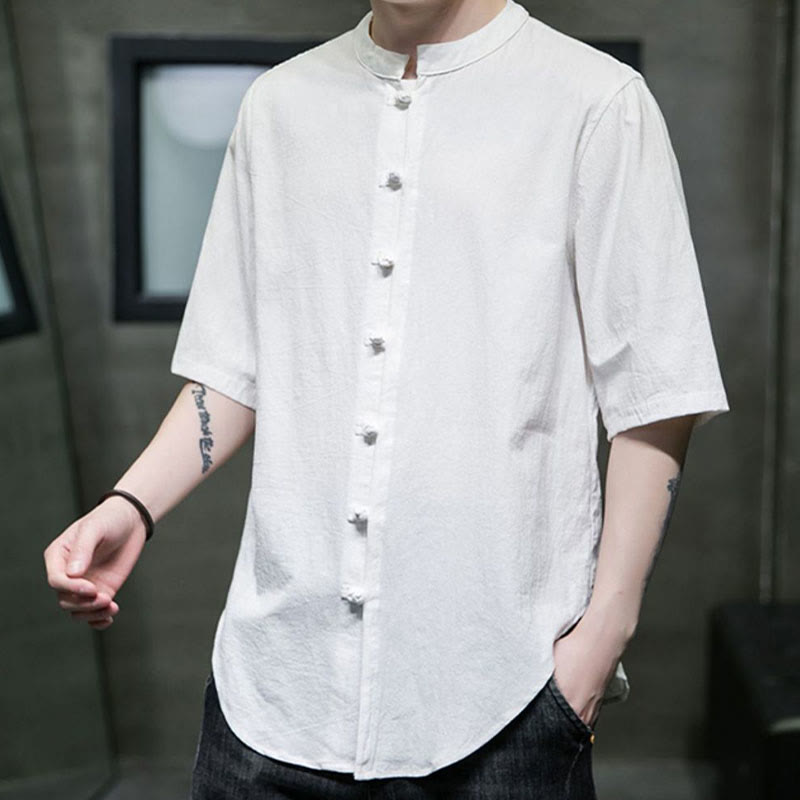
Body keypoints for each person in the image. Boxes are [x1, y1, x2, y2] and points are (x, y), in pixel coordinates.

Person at [43, 0, 731, 797]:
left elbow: (655, 392)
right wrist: (131, 506)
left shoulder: (596, 102)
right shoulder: (279, 106)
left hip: (501, 699)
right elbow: (233, 367)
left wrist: (602, 636)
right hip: (271, 697)